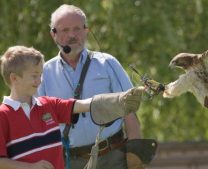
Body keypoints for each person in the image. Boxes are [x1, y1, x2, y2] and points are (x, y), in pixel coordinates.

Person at [0, 46, 143, 169]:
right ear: (14, 78)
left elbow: (84, 105)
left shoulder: (48, 104)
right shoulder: (3, 115)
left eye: (41, 75)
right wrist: (30, 167)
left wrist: (119, 99)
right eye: (34, 76)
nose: (39, 81)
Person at [38, 4, 144, 169]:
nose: (72, 35)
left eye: (77, 29)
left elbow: (129, 112)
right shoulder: (43, 73)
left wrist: (135, 157)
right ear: (54, 34)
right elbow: (39, 124)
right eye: (65, 30)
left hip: (113, 156)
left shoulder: (107, 63)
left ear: (86, 30)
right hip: (70, 161)